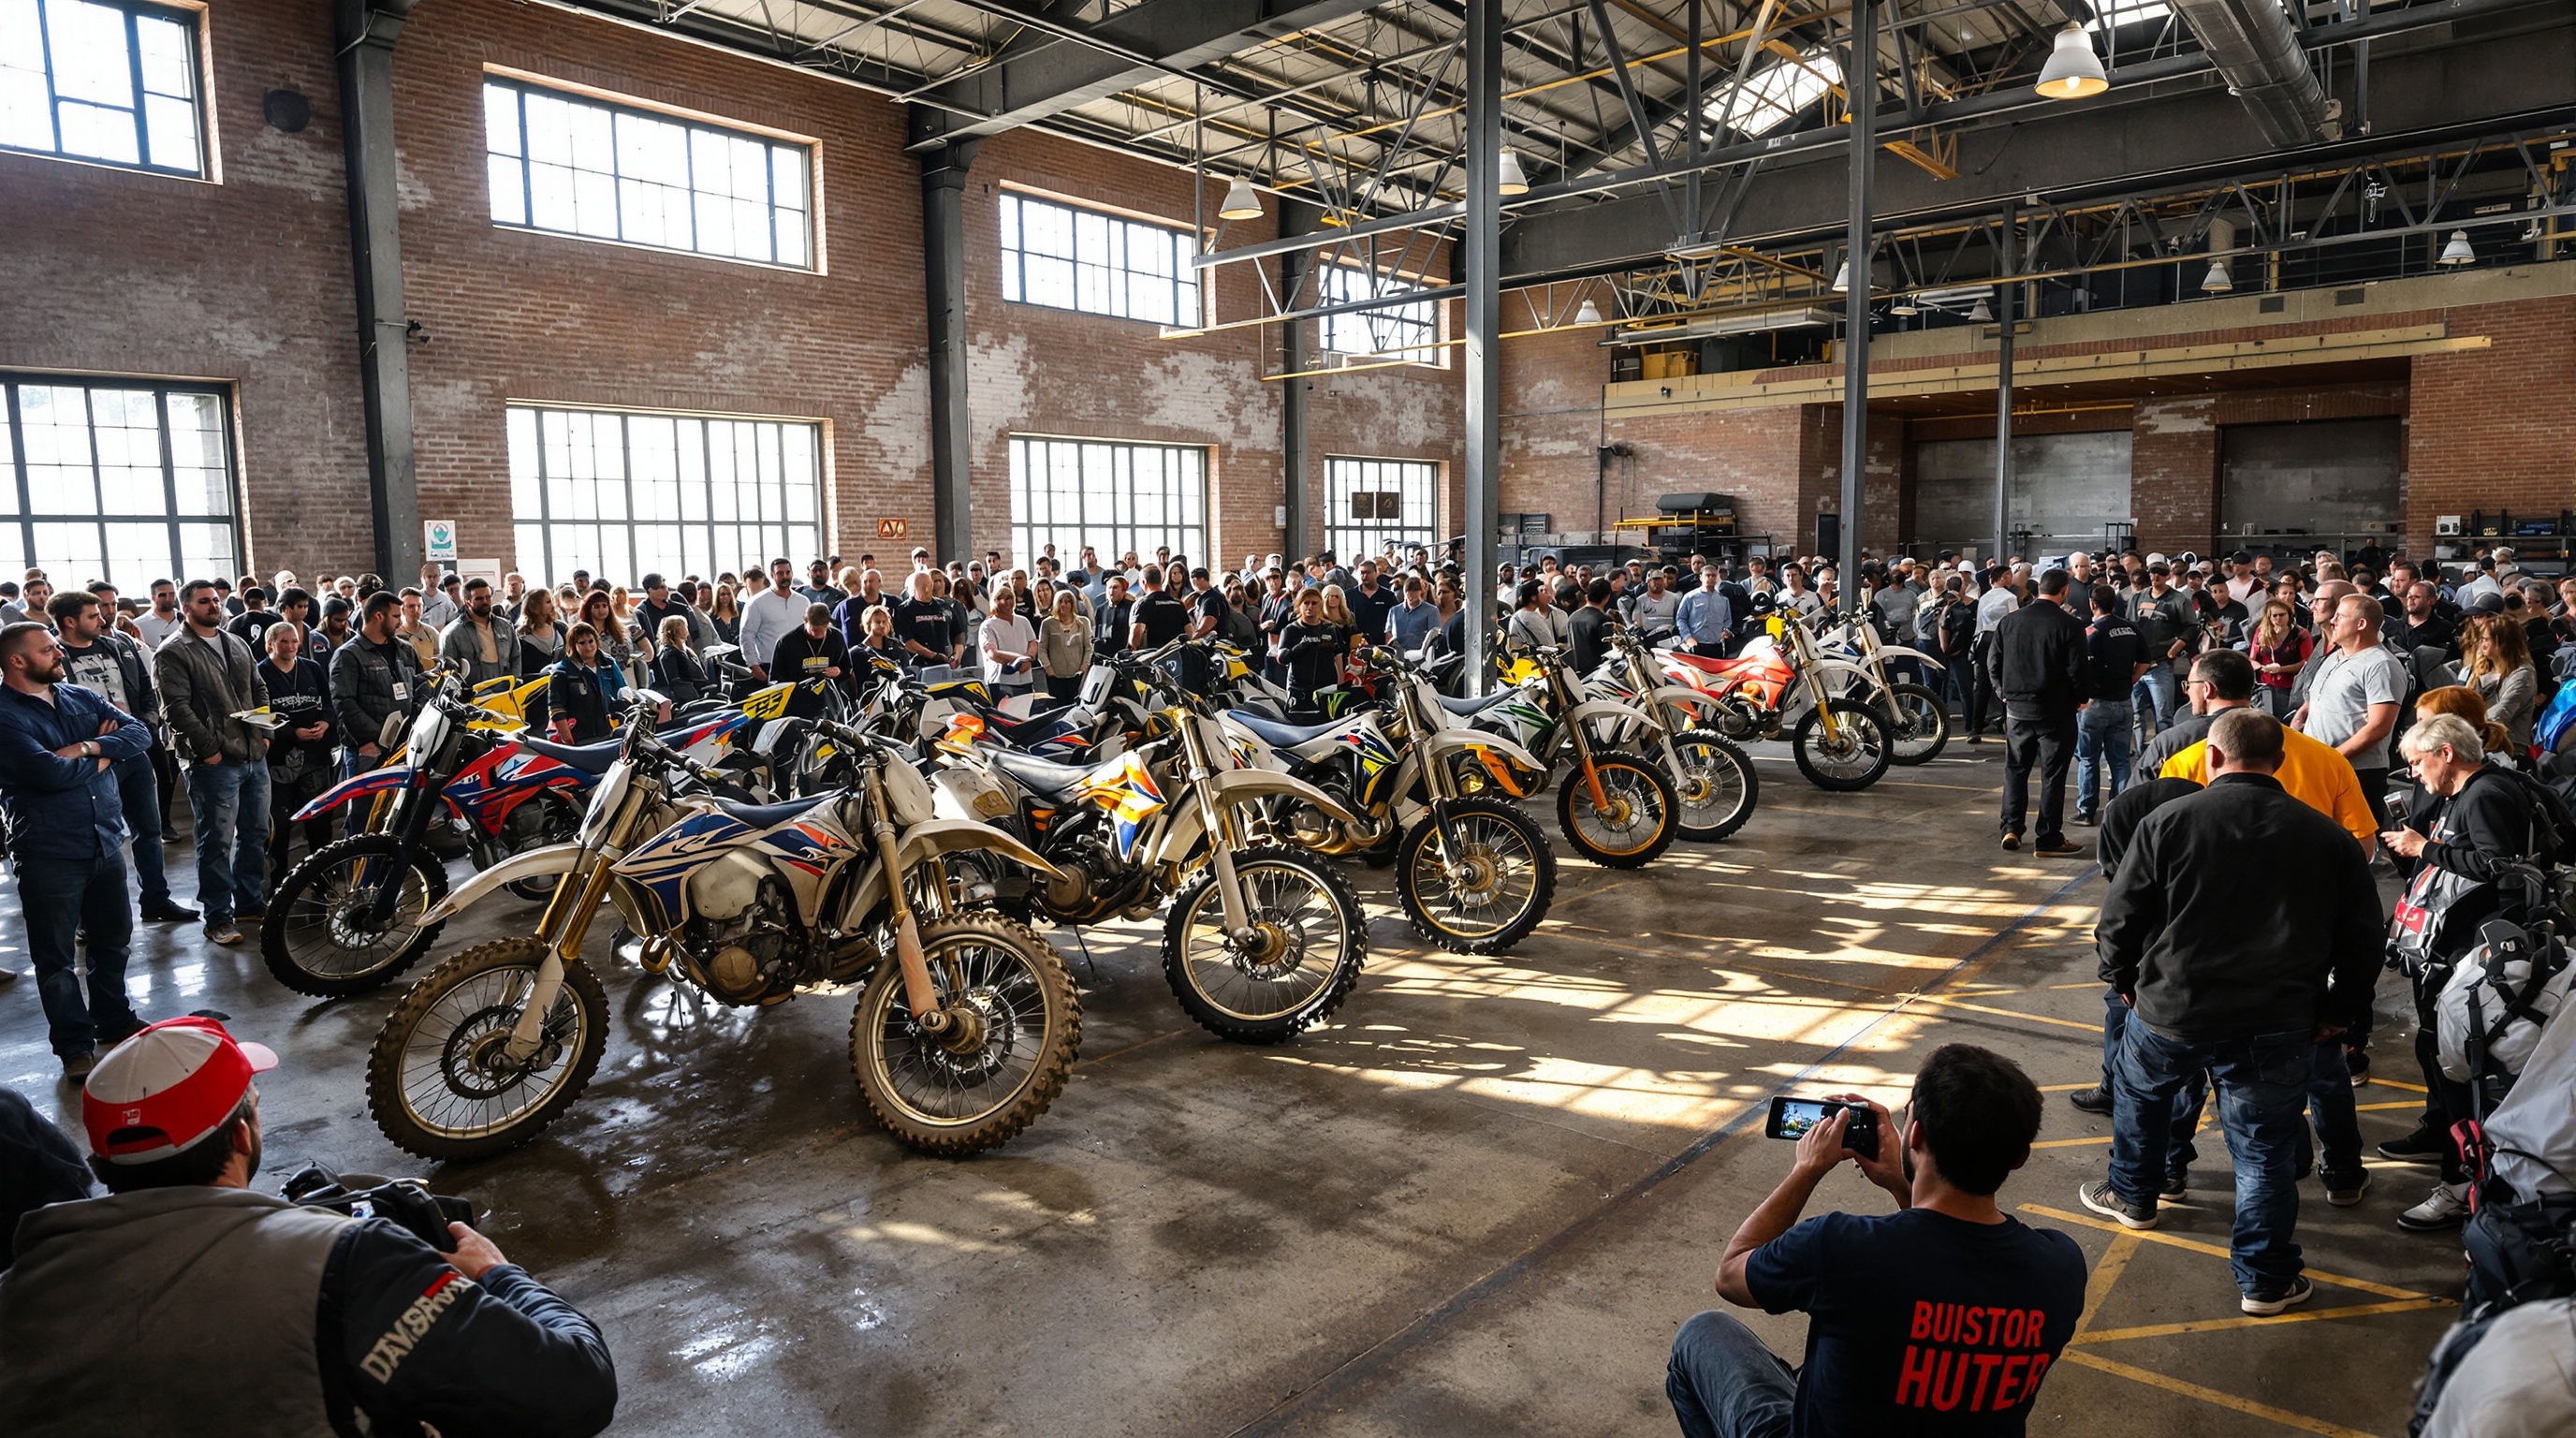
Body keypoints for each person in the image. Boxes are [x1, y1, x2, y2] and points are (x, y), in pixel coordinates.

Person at [0, 1016, 618, 1435]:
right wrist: (498, 1274)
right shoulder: (349, 1262)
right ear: (243, 1134)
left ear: (101, 1161)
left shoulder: (22, 1289)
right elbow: (575, 1387)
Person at [2084, 710, 2381, 1313]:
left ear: (2213, 758)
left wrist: (2122, 980)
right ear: (2278, 762)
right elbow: (2363, 939)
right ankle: (2265, 1279)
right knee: (2264, 1150)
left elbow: (2120, 919)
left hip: (2172, 1010)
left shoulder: (2167, 821)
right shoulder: (2327, 837)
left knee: (2143, 1102)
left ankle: (2136, 1196)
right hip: (2277, 1020)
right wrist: (2340, 1012)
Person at [1666, 1044, 2085, 1438]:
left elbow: (1732, 1272)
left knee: (1702, 1333)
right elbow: (1944, 1261)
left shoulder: (1843, 1247)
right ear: (2019, 1157)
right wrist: (1904, 1185)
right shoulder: (2061, 1267)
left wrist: (1807, 1169)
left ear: (1915, 1135)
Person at [2378, 710, 2540, 1229]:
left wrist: (2426, 848)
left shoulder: (2486, 795)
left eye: (2419, 763)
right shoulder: (2464, 793)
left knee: (2460, 1066)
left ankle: (2460, 1180)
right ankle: (2442, 1139)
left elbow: (2498, 866)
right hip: (2455, 950)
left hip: (2474, 958)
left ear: (2447, 753)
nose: (2418, 774)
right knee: (2438, 1055)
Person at [0, 621, 154, 1072]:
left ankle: (113, 1019)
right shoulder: (4, 715)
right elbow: (48, 774)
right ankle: (74, 1047)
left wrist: (86, 747)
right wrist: (107, 756)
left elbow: (140, 736)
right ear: (18, 661)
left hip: (105, 840)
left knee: (113, 943)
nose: (60, 654)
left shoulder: (79, 696)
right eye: (49, 650)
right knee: (56, 960)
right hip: (49, 850)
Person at [48, 591, 191, 925]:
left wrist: (147, 722)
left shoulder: (118, 644)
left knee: (149, 829)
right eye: (93, 615)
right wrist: (93, 740)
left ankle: (156, 900)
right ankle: (86, 920)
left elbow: (144, 685)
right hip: (91, 758)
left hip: (132, 750)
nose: (103, 619)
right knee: (92, 839)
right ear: (70, 622)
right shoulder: (54, 657)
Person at [154, 580, 271, 946]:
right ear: (185, 609)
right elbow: (175, 709)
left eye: (216, 600)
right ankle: (218, 917)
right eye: (204, 602)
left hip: (254, 753)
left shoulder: (235, 643)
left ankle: (250, 902)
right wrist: (209, 750)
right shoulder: (173, 651)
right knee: (216, 840)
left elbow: (259, 687)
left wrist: (266, 733)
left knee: (256, 833)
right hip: (214, 762)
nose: (213, 606)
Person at [1990, 569, 2086, 856]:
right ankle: (2048, 838)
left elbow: (1993, 662)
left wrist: (2002, 693)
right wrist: (2081, 698)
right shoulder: (2070, 625)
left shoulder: (2009, 622)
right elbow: (2078, 669)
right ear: (2065, 591)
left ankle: (2011, 828)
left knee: (2016, 771)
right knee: (2053, 775)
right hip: (2055, 712)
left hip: (2017, 710)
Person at [2293, 593, 2408, 830]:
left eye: (2339, 616)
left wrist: (2332, 759)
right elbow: (2316, 699)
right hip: (2319, 766)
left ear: (2361, 623)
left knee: (2352, 846)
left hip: (2357, 772)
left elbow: (2379, 726)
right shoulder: (2334, 656)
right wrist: (2300, 720)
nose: (2332, 621)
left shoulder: (2381, 665)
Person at [256, 623, 336, 892]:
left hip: (315, 758)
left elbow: (328, 702)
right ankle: (278, 886)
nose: (290, 646)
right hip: (278, 760)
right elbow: (258, 715)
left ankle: (322, 881)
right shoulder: (260, 673)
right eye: (284, 642)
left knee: (319, 823)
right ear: (271, 645)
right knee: (279, 826)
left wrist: (324, 723)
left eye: (294, 641)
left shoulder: (312, 668)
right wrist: (293, 733)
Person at [2074, 584, 2144, 828]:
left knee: (2089, 759)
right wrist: (2131, 679)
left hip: (2094, 704)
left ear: (2093, 605)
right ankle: (2120, 811)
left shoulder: (2091, 632)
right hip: (2124, 701)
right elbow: (2145, 660)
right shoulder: (2131, 628)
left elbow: (2078, 667)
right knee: (2121, 761)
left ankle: (2086, 811)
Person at [329, 591, 423, 776]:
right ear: (379, 616)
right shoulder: (348, 655)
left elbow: (421, 685)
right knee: (365, 805)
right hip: (369, 749)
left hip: (406, 746)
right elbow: (344, 703)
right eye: (396, 616)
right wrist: (377, 738)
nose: (400, 621)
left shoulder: (406, 649)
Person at [2462, 611, 2539, 756]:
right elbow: (2464, 701)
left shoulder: (2523, 674)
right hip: (2476, 742)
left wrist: (2468, 727)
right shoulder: (2480, 670)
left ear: (2503, 642)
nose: (2482, 645)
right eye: (2482, 640)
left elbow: (2504, 709)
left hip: (2509, 748)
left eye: (2486, 640)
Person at [547, 623, 625, 742]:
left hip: (609, 733)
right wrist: (568, 741)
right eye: (582, 643)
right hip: (579, 737)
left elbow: (623, 692)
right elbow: (556, 710)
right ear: (573, 645)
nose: (588, 647)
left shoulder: (608, 663)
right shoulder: (561, 671)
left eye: (591, 641)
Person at [768, 603, 849, 719]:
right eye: (814, 630)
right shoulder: (787, 642)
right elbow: (775, 679)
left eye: (824, 629)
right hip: (798, 705)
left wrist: (839, 672)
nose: (819, 635)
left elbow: (847, 668)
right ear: (805, 621)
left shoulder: (836, 637)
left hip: (830, 702)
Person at [736, 559, 803, 682]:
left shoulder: (803, 601)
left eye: (788, 572)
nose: (785, 576)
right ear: (772, 575)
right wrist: (754, 667)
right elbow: (747, 636)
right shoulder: (756, 603)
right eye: (780, 573)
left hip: (800, 665)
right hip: (769, 665)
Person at [2247, 599, 2312, 718]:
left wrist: (2281, 669)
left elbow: (2307, 663)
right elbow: (2252, 659)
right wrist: (2262, 668)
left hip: (2291, 687)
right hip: (2265, 685)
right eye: (2274, 616)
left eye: (2282, 615)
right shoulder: (2261, 632)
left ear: (2289, 615)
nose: (2278, 619)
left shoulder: (2301, 634)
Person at [980, 587, 1038, 697]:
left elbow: (1033, 642)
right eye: (1001, 598)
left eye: (1009, 598)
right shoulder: (988, 626)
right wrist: (1019, 660)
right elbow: (992, 653)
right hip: (1001, 680)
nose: (1006, 602)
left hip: (1025, 679)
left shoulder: (1023, 621)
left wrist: (1029, 658)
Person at [648, 615, 711, 707]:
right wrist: (694, 699)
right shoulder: (669, 654)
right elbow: (676, 682)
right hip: (689, 698)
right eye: (685, 627)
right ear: (677, 629)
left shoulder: (686, 650)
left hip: (701, 691)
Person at [1038, 591, 1090, 701]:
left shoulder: (1083, 622)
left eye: (1067, 602)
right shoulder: (1047, 624)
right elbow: (1042, 648)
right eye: (1060, 601)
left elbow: (1088, 647)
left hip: (1077, 674)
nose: (1063, 605)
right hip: (1056, 675)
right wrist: (1048, 667)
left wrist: (1085, 664)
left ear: (1072, 604)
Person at [1567, 578, 1617, 674]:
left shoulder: (1572, 617)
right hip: (1599, 674)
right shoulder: (1604, 620)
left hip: (1576, 674)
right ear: (1606, 597)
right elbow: (1610, 650)